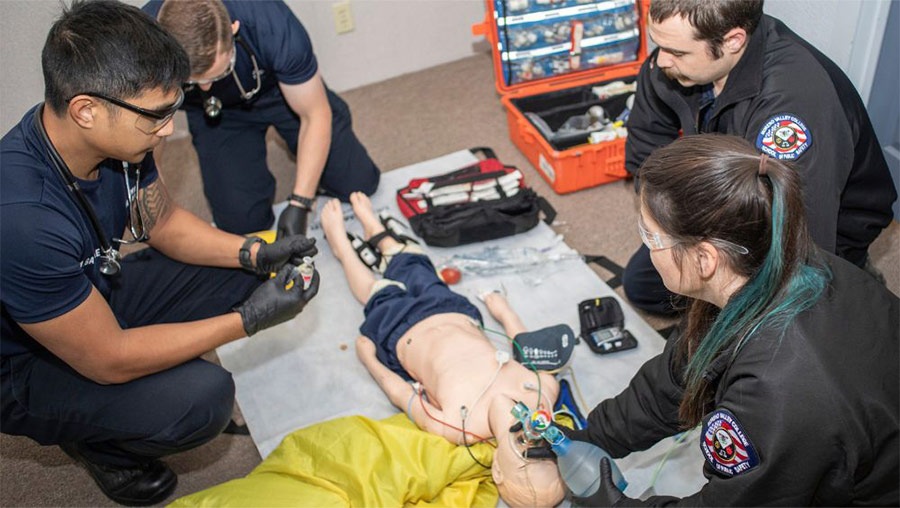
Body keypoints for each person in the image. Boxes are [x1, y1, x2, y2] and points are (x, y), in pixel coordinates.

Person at [0, 1, 320, 505]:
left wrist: (255, 253)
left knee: (245, 273)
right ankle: (99, 443)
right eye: (156, 116)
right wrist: (247, 321)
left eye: (172, 110)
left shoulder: (124, 143)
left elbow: (163, 222)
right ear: (86, 109)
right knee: (203, 400)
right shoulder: (20, 217)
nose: (169, 129)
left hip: (91, 293)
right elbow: (109, 359)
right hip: (23, 362)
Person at [557, 135, 898, 506]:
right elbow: (679, 377)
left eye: (649, 235)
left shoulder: (773, 394)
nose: (644, 247)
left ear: (705, 259)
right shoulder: (780, 263)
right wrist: (591, 436)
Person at [622, 0, 897, 315]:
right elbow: (647, 144)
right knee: (644, 286)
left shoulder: (793, 103)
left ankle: (854, 286)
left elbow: (799, 232)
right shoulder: (671, 62)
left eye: (678, 52)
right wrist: (665, 218)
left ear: (733, 41)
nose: (662, 61)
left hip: (811, 228)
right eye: (660, 45)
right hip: (721, 190)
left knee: (773, 324)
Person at [319, 193, 566, 507]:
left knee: (375, 292)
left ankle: (343, 247)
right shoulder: (542, 390)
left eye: (526, 460)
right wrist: (503, 312)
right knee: (413, 262)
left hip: (399, 332)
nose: (533, 445)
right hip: (451, 310)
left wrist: (368, 359)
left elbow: (401, 395)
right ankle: (376, 232)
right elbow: (526, 344)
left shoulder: (456, 427)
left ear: (498, 471)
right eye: (546, 454)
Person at [142, 0, 380, 237]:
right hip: (216, 114)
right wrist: (159, 213)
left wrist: (300, 203)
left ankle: (285, 132)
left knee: (358, 184)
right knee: (242, 224)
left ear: (234, 29)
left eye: (219, 73)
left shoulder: (274, 26)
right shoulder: (142, 43)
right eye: (193, 81)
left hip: (279, 93)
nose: (205, 86)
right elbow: (149, 140)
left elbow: (315, 114)